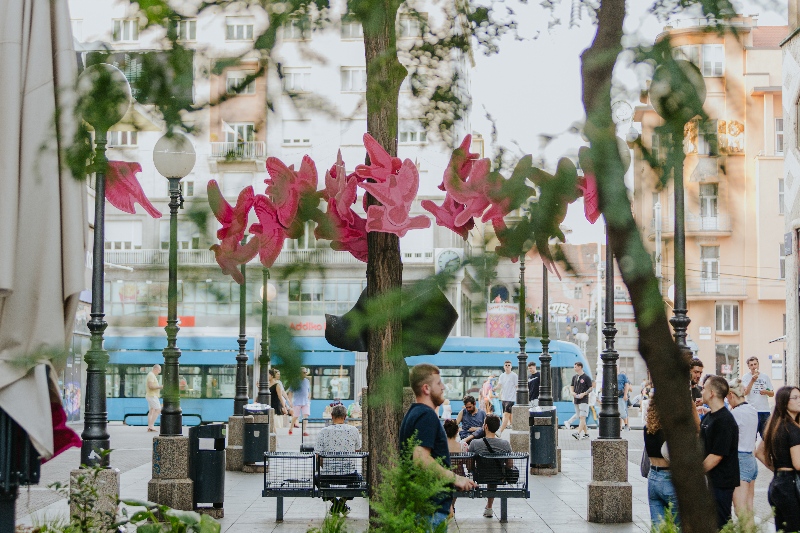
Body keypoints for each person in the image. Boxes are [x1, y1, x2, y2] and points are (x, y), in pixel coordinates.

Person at [399, 363, 476, 529]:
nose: (443, 387)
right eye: (439, 383)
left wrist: (446, 503)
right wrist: (456, 478)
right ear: (426, 388)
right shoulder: (426, 416)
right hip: (429, 510)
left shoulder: (414, 413)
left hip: (426, 506)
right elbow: (421, 459)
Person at [755, 386, 800, 532]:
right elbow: (798, 464)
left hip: (777, 484)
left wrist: (778, 469)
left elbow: (759, 452)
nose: (799, 401)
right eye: (795, 398)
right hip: (790, 487)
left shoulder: (774, 426)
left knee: (782, 529)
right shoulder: (793, 430)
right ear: (784, 402)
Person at [700, 375, 740, 530]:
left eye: (704, 388)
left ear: (712, 393)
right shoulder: (708, 417)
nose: (701, 391)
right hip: (710, 481)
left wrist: (695, 474)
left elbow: (716, 456)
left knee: (720, 524)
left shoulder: (725, 420)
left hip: (721, 482)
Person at [315, 404, 362, 515]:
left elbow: (318, 456)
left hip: (328, 476)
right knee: (358, 479)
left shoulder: (323, 432)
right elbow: (357, 450)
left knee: (317, 478)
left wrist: (326, 467)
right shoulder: (354, 430)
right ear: (345, 417)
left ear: (332, 416)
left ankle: (335, 503)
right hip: (349, 475)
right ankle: (341, 503)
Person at [644, 395, 679, 527]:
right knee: (678, 525)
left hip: (653, 477)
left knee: (658, 527)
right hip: (668, 477)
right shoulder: (671, 431)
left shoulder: (647, 429)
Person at [726, 378, 758, 521]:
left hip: (740, 461)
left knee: (740, 510)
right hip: (751, 459)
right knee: (748, 508)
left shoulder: (735, 414)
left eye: (727, 397)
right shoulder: (752, 410)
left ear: (731, 395)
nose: (727, 401)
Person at [468, 414, 512, 518]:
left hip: (480, 476)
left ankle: (489, 508)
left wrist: (474, 470)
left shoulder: (474, 443)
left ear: (486, 426)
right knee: (494, 475)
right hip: (498, 477)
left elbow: (469, 466)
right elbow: (510, 465)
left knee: (489, 474)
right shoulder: (505, 444)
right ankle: (489, 507)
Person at [742, 356, 774, 439]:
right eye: (751, 365)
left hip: (765, 410)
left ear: (758, 365)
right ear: (748, 367)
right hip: (752, 410)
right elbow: (745, 393)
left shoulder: (765, 377)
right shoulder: (746, 377)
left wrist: (766, 392)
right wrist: (752, 380)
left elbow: (772, 393)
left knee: (766, 437)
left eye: (755, 364)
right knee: (752, 437)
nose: (754, 367)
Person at [569, 362, 592, 440]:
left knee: (582, 417)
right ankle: (586, 434)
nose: (574, 368)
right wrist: (572, 392)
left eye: (575, 367)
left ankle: (578, 433)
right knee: (580, 417)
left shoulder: (586, 377)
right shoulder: (574, 377)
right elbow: (571, 386)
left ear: (580, 367)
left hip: (584, 400)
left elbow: (590, 388)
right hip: (576, 399)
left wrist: (584, 393)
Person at [289, 367, 311, 436]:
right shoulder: (295, 381)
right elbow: (290, 392)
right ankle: (291, 428)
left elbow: (308, 391)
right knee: (295, 416)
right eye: (303, 372)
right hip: (297, 401)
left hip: (306, 402)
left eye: (306, 372)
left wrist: (309, 399)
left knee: (305, 416)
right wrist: (290, 401)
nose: (305, 374)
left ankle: (304, 431)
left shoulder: (307, 381)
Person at [497, 361, 517, 435]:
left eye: (509, 365)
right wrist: (495, 388)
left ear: (511, 366)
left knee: (506, 414)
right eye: (506, 365)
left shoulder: (514, 375)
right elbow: (499, 385)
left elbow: (517, 386)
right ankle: (514, 427)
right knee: (508, 415)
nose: (507, 366)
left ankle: (500, 431)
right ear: (504, 367)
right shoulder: (502, 375)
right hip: (504, 398)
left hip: (511, 398)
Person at [146, 364, 163, 432]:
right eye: (159, 370)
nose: (159, 372)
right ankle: (151, 426)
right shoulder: (151, 375)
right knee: (158, 409)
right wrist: (161, 387)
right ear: (155, 369)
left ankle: (150, 426)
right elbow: (150, 386)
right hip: (152, 395)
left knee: (152, 411)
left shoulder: (151, 375)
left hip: (151, 395)